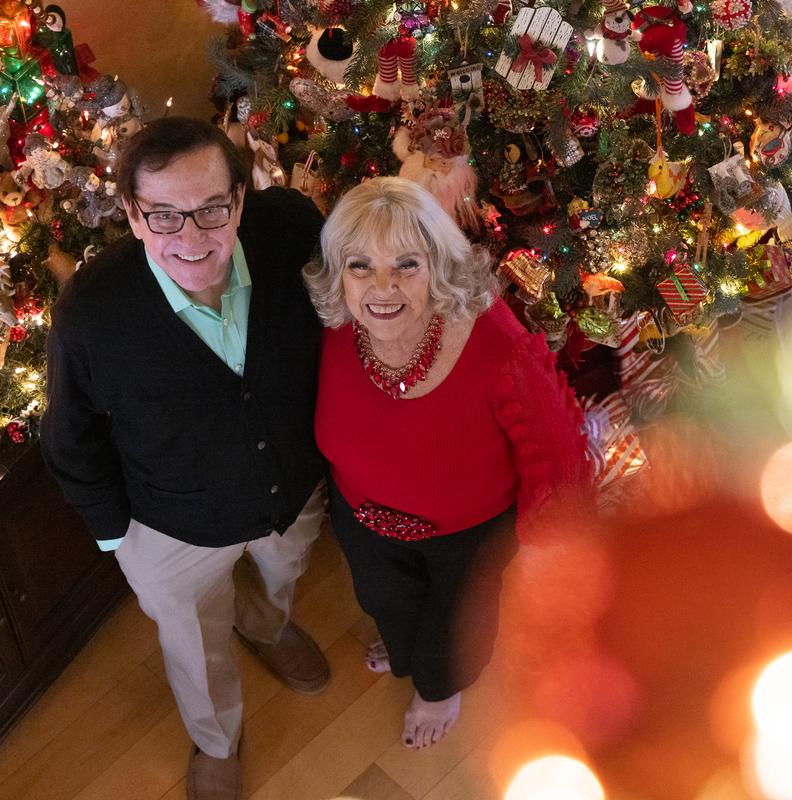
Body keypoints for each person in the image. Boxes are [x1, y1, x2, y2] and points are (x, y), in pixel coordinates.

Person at [41, 117, 329, 800]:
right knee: (195, 649)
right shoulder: (92, 312)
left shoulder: (288, 228)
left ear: (242, 196)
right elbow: (70, 438)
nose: (192, 238)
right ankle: (216, 739)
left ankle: (267, 622)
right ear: (134, 217)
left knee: (284, 570)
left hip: (291, 489)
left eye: (211, 208)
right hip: (171, 525)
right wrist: (124, 542)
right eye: (164, 215)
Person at [306, 177, 593, 749]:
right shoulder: (337, 322)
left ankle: (440, 689)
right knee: (383, 601)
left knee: (454, 630)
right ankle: (407, 640)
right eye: (359, 265)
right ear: (338, 273)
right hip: (363, 520)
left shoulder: (497, 343)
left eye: (405, 264)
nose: (380, 288)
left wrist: (550, 549)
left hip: (469, 537)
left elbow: (558, 454)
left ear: (438, 265)